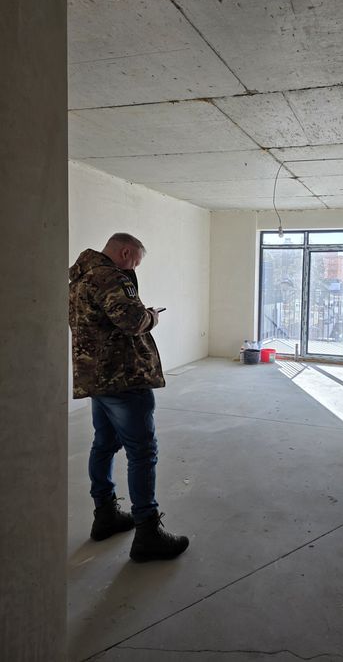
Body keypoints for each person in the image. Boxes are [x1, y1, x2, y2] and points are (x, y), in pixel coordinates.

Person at [69, 232, 189, 562]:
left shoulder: (79, 278)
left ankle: (105, 514)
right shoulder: (110, 277)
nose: (135, 268)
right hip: (123, 377)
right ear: (125, 253)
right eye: (135, 261)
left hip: (97, 377)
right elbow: (133, 321)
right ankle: (148, 532)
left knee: (104, 444)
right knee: (142, 452)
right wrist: (152, 316)